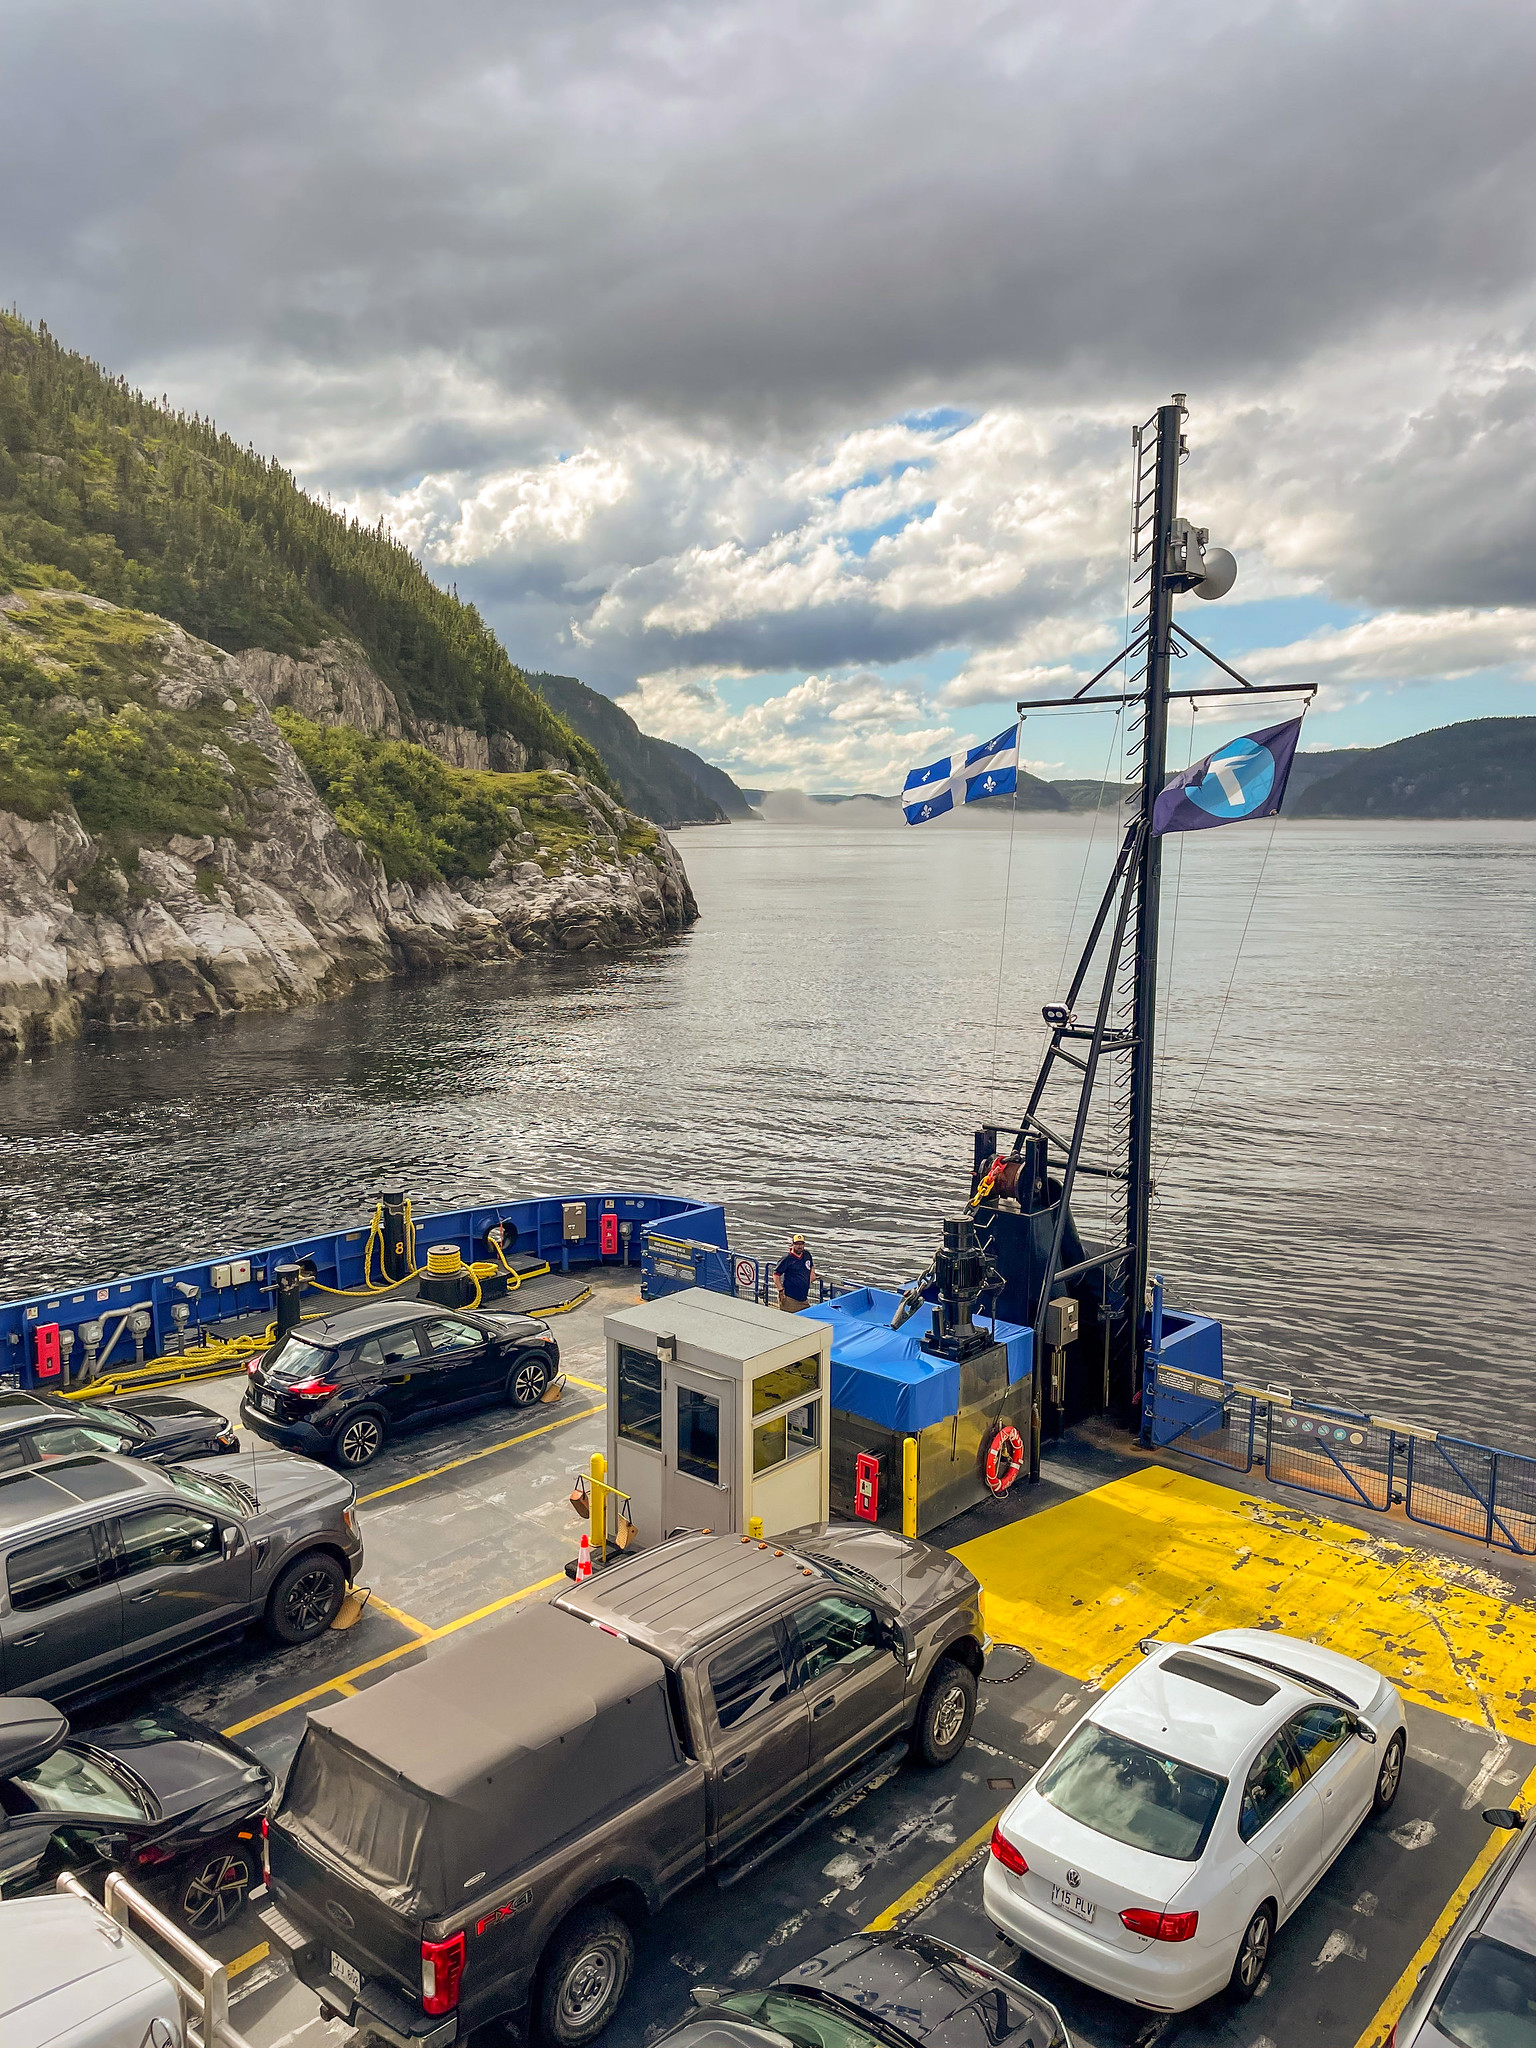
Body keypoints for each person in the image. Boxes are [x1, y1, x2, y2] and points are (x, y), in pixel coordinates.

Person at [774, 1232, 815, 1311]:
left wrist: (812, 1272)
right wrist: (780, 1290)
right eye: (797, 1244)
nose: (799, 1246)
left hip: (804, 1299)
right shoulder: (787, 1259)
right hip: (790, 1299)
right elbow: (776, 1275)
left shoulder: (807, 1254)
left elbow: (811, 1265)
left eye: (801, 1244)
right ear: (793, 1244)